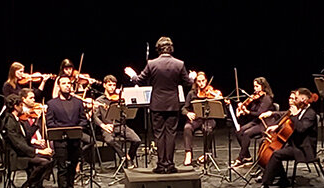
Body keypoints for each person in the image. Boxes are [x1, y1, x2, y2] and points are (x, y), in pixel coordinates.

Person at [125, 36, 196, 174]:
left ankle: (160, 165)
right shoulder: (179, 64)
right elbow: (188, 83)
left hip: (157, 104)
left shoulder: (152, 64)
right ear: (171, 48)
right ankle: (169, 164)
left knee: (159, 135)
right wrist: (192, 77)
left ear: (158, 49)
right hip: (173, 104)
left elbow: (139, 80)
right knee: (170, 134)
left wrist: (133, 75)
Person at [253, 88, 318, 188]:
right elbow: (287, 119)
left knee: (276, 154)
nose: (294, 100)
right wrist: (276, 127)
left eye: (296, 98)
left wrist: (295, 116)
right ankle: (283, 179)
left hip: (303, 149)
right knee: (276, 149)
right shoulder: (300, 110)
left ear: (303, 99)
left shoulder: (310, 114)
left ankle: (265, 185)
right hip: (295, 144)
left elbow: (301, 129)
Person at [46, 75, 87, 188]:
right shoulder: (52, 104)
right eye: (64, 83)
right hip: (61, 141)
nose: (67, 85)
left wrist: (78, 127)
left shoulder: (78, 102)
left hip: (74, 140)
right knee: (62, 168)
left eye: (69, 83)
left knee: (72, 168)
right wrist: (65, 129)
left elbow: (83, 119)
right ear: (59, 86)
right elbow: (50, 122)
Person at [3, 94, 53, 188]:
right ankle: (28, 185)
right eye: (21, 105)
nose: (23, 108)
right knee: (45, 162)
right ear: (16, 107)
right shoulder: (9, 122)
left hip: (22, 152)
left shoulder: (16, 119)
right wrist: (38, 151)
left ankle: (36, 185)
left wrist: (37, 120)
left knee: (52, 156)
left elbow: (27, 136)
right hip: (15, 156)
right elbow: (18, 144)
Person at [94, 75, 141, 168]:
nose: (112, 87)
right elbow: (94, 116)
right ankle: (125, 158)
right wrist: (103, 125)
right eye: (109, 85)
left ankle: (129, 158)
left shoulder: (119, 99)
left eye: (114, 85)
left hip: (120, 125)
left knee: (137, 140)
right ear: (104, 85)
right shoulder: (99, 100)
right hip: (107, 127)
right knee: (110, 140)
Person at [181, 71, 228, 166]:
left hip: (209, 119)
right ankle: (188, 153)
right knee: (187, 128)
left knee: (208, 129)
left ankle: (207, 153)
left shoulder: (210, 92)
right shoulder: (191, 94)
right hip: (196, 119)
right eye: (199, 81)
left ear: (206, 81)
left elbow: (222, 104)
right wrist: (188, 113)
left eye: (203, 81)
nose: (201, 83)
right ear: (196, 82)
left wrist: (219, 98)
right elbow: (183, 108)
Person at [233, 77, 275, 168]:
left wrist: (248, 112)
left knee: (246, 134)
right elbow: (252, 112)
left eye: (257, 86)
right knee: (239, 132)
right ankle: (247, 157)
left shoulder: (267, 98)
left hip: (265, 123)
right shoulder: (256, 98)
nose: (255, 89)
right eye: (254, 86)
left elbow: (260, 113)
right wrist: (243, 109)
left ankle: (240, 158)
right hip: (257, 121)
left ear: (263, 86)